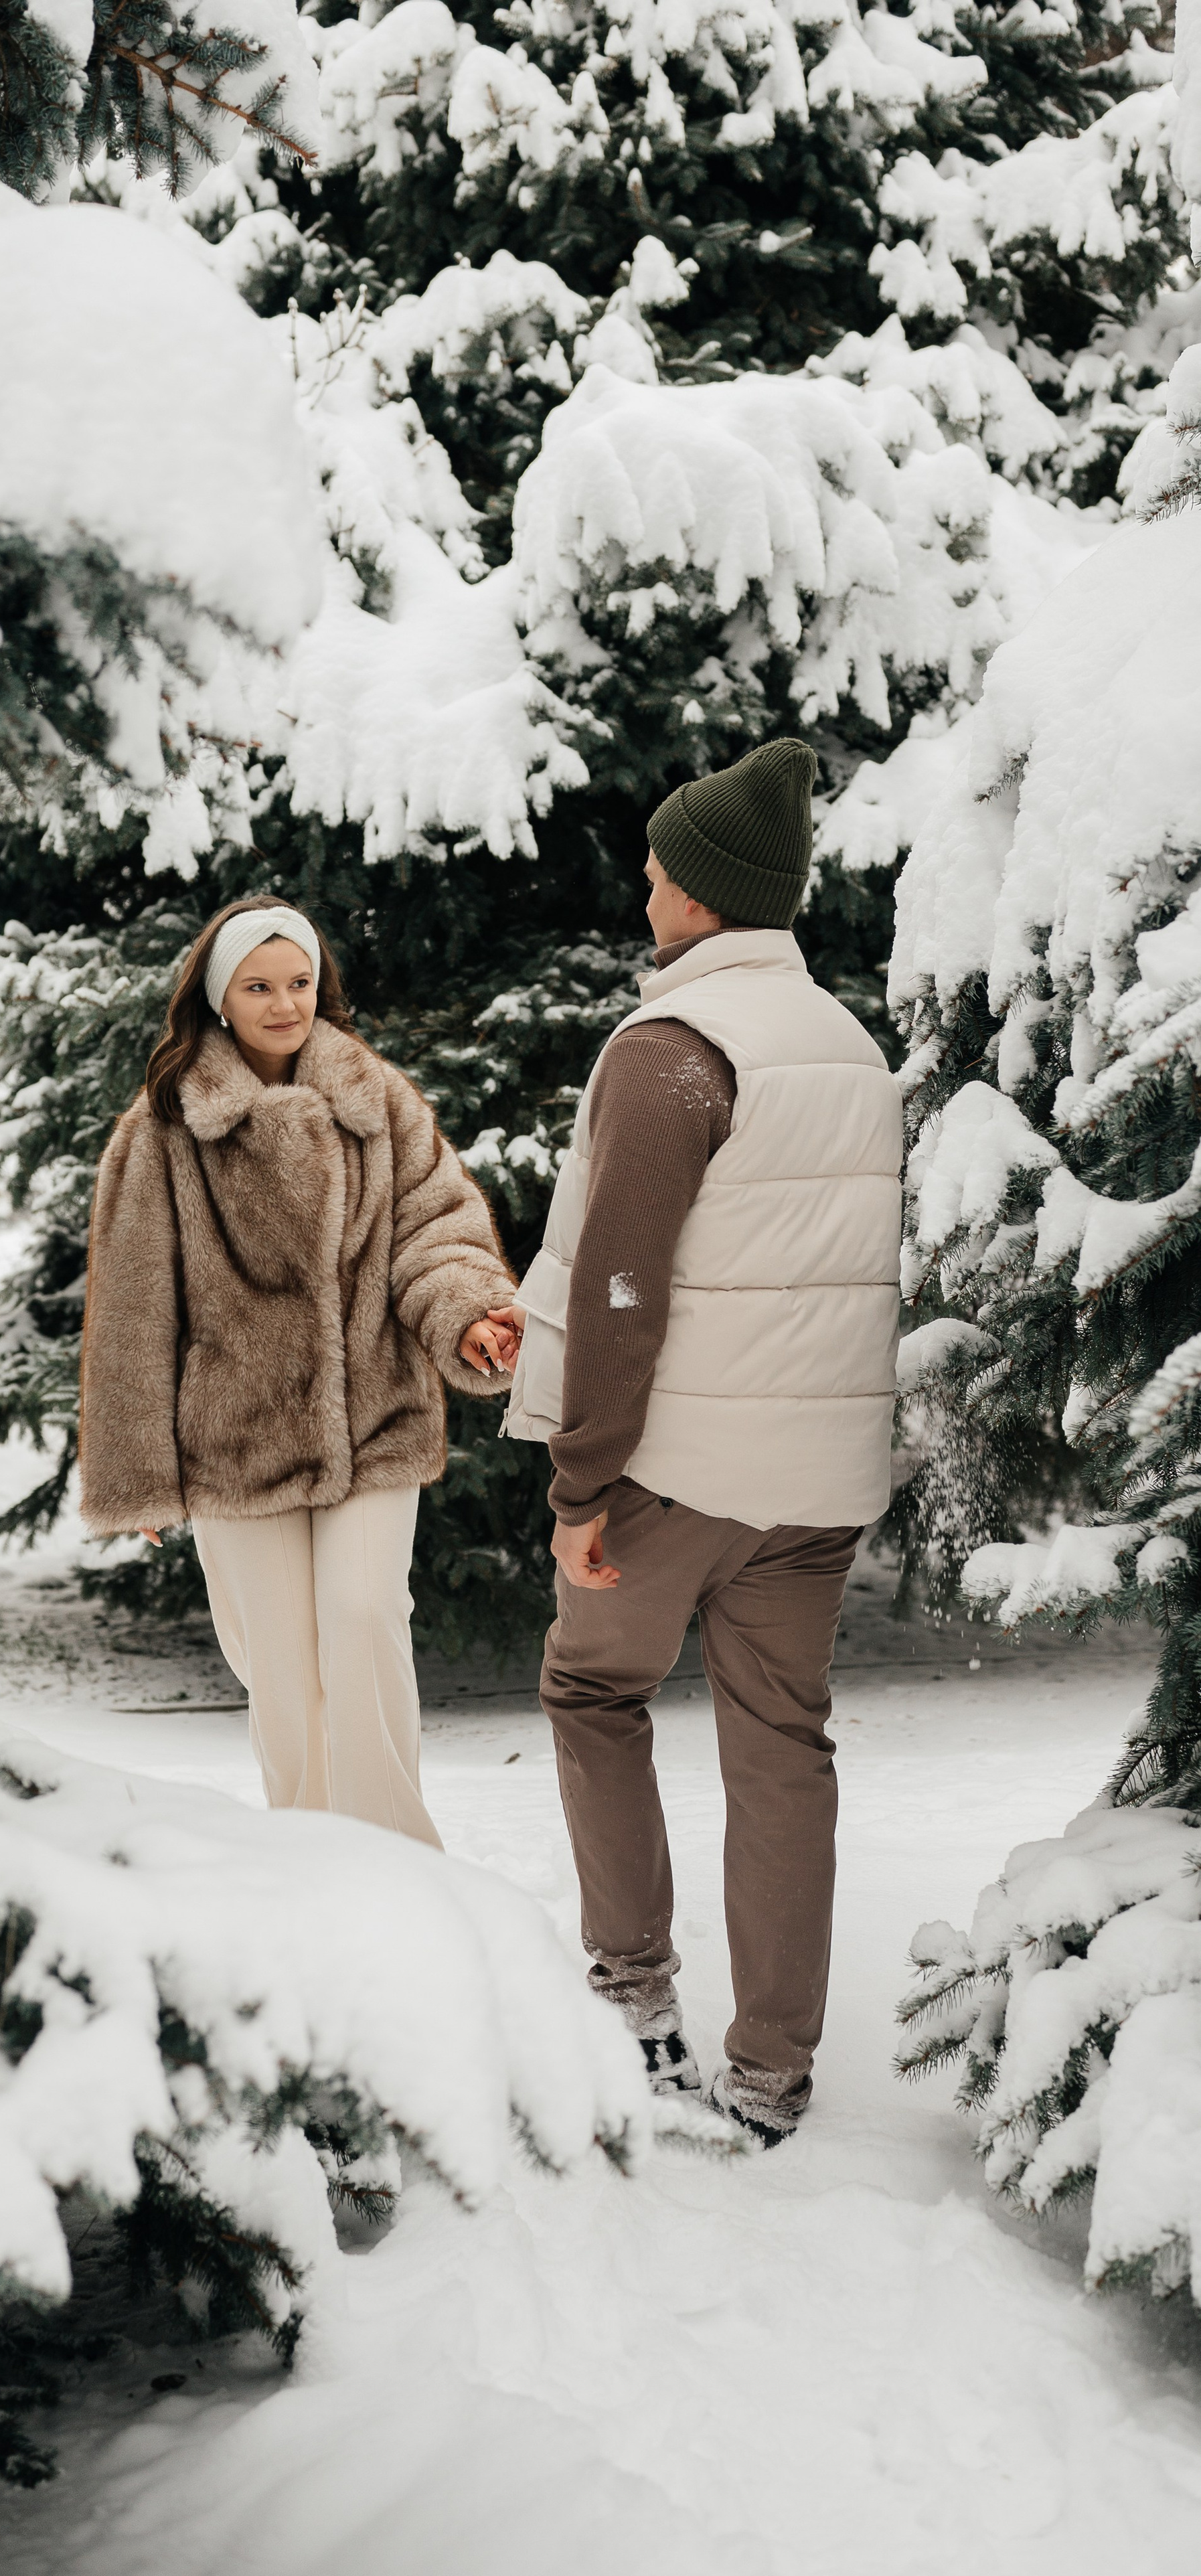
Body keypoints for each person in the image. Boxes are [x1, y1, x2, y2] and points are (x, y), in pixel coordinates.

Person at [503, 740, 902, 2145]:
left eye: (659, 869)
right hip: (817, 1483)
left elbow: (623, 1289)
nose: (645, 888)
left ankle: (632, 1996)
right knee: (783, 1749)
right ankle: (772, 2074)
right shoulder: (847, 1047)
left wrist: (581, 1483)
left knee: (590, 1690)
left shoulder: (674, 1050)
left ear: (703, 892)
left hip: (673, 1475)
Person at [80, 896, 522, 1849]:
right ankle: (313, 1859)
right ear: (218, 998)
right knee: (279, 1665)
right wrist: (138, 1472)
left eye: (300, 983)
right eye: (259, 987)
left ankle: (401, 1861)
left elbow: (436, 1230)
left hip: (376, 1415)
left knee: (364, 1618)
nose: (285, 1005)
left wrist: (468, 1314)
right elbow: (133, 1311)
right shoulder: (164, 1129)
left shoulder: (378, 1100)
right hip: (234, 1437)